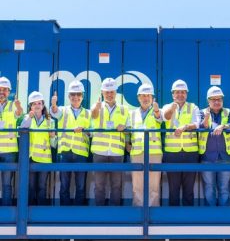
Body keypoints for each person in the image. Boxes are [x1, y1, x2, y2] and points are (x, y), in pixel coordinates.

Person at [51, 80, 91, 205]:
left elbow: (92, 132)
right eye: (73, 95)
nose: (75, 97)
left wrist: (85, 131)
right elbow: (54, 112)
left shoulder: (88, 113)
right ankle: (65, 213)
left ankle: (78, 214)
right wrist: (53, 105)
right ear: (69, 97)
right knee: (64, 185)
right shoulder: (62, 110)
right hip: (65, 153)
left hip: (81, 154)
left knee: (80, 186)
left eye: (78, 94)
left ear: (82, 97)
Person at [91, 78, 129, 206]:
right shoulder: (96, 107)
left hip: (117, 152)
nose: (109, 94)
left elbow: (129, 131)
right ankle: (100, 214)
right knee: (99, 185)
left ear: (116, 92)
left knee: (117, 186)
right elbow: (93, 115)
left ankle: (115, 215)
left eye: (112, 92)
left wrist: (125, 129)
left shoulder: (124, 109)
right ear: (102, 92)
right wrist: (96, 108)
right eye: (107, 92)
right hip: (99, 152)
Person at [162, 79, 200, 206]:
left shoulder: (193, 107)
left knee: (189, 189)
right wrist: (172, 109)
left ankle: (188, 218)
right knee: (173, 189)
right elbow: (165, 117)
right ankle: (173, 218)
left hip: (190, 153)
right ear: (173, 94)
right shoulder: (167, 107)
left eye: (183, 92)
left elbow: (197, 123)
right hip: (172, 154)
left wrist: (184, 127)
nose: (180, 95)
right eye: (177, 92)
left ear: (186, 94)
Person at [127, 83, 162, 206]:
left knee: (154, 185)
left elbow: (160, 118)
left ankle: (153, 212)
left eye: (148, 96)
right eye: (143, 96)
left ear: (152, 98)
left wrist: (157, 110)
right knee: (137, 185)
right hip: (137, 153)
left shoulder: (157, 111)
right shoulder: (132, 114)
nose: (146, 98)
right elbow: (128, 132)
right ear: (138, 98)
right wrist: (127, 144)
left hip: (154, 153)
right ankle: (138, 211)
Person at [199, 86, 230, 206]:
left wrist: (222, 126)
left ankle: (224, 216)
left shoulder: (228, 112)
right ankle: (210, 216)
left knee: (224, 188)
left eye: (219, 99)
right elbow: (201, 127)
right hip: (207, 158)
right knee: (209, 188)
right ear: (208, 101)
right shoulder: (202, 112)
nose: (216, 102)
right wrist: (206, 119)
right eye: (213, 99)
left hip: (225, 157)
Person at [21, 91, 56, 205]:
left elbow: (54, 144)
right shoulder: (27, 118)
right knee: (31, 187)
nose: (37, 105)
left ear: (43, 105)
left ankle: (41, 213)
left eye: (39, 103)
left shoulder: (50, 121)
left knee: (42, 187)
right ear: (30, 106)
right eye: (34, 103)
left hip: (45, 160)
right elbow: (22, 131)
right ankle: (29, 212)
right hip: (31, 159)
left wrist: (52, 137)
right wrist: (29, 118)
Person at [0, 76, 23, 206]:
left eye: (5, 89)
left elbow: (19, 114)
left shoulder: (13, 105)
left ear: (9, 92)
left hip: (9, 151)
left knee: (7, 183)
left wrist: (19, 107)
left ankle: (6, 211)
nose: (2, 92)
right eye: (0, 89)